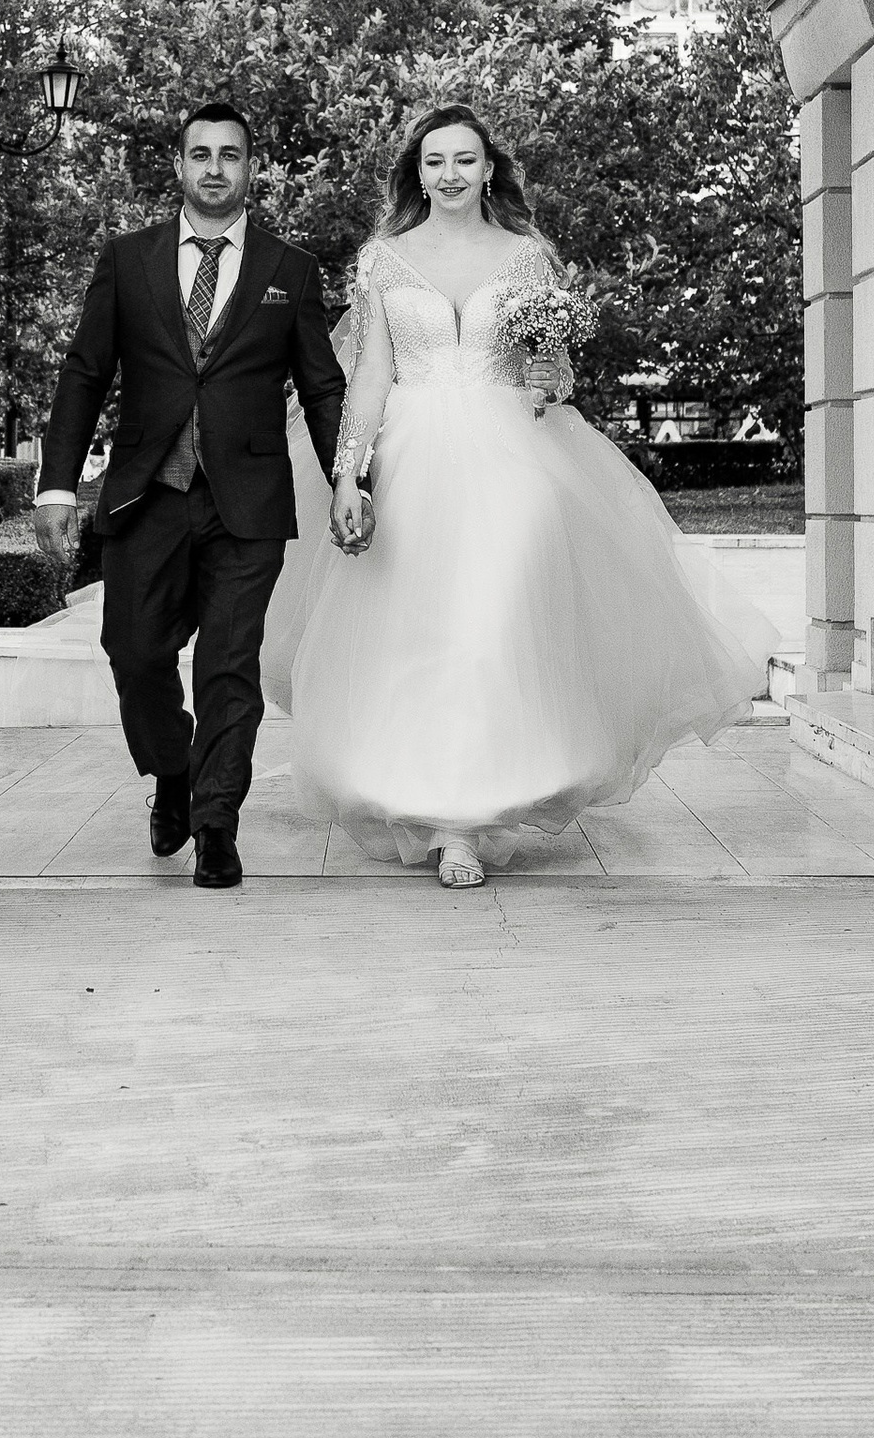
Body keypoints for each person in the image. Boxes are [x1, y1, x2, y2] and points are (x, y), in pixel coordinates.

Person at [264, 104, 759, 886]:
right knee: (422, 631)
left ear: (489, 167)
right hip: (413, 459)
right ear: (416, 173)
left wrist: (551, 375)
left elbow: (553, 370)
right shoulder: (383, 260)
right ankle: (427, 792)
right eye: (434, 162)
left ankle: (468, 819)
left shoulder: (528, 257)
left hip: (512, 462)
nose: (450, 175)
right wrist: (350, 474)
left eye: (464, 160)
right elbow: (369, 375)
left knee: (491, 626)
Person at [36, 102, 348, 889]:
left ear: (253, 169)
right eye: (200, 154)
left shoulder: (291, 270)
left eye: (231, 155)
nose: (215, 168)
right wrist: (56, 483)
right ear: (178, 166)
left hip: (247, 504)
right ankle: (171, 771)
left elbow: (321, 388)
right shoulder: (127, 260)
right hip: (147, 496)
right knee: (135, 654)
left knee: (228, 668)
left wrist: (350, 476)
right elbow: (84, 374)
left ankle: (216, 824)